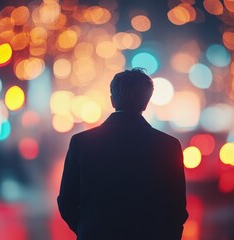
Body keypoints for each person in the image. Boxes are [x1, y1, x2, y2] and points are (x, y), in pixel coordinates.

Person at [57, 68, 188, 240]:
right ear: (146, 102)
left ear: (112, 100)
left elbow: (67, 201)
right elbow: (176, 207)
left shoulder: (81, 143)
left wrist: (87, 229)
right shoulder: (168, 145)